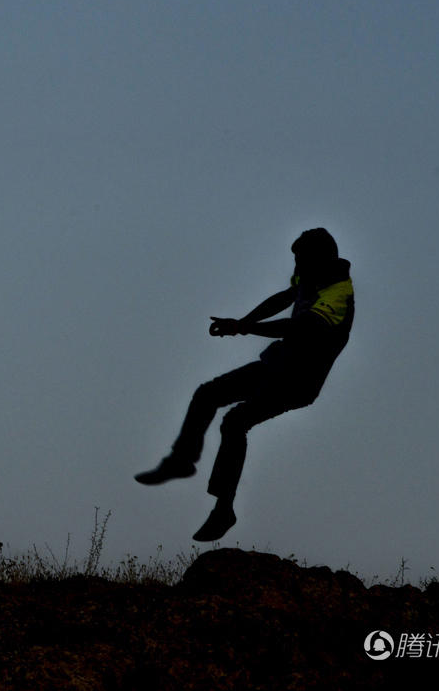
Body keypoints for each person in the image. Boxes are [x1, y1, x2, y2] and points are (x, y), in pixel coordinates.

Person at [135, 228, 354, 542]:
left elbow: (296, 328)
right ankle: (180, 461)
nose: (296, 267)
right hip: (276, 367)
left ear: (319, 259)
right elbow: (285, 297)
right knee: (207, 394)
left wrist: (248, 328)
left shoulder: (338, 294)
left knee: (235, 421)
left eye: (300, 260)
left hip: (299, 381)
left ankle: (223, 510)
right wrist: (241, 323)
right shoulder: (310, 276)